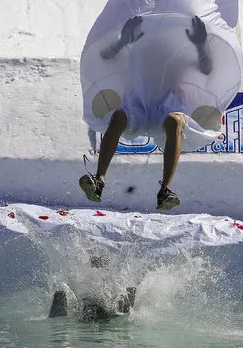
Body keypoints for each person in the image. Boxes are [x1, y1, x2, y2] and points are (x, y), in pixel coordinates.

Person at [79, 14, 212, 211]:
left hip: (168, 106)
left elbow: (207, 69)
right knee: (117, 117)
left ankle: (165, 190)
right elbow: (105, 56)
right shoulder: (138, 42)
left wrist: (200, 45)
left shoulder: (182, 51)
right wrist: (122, 41)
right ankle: (99, 180)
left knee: (175, 121)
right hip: (139, 105)